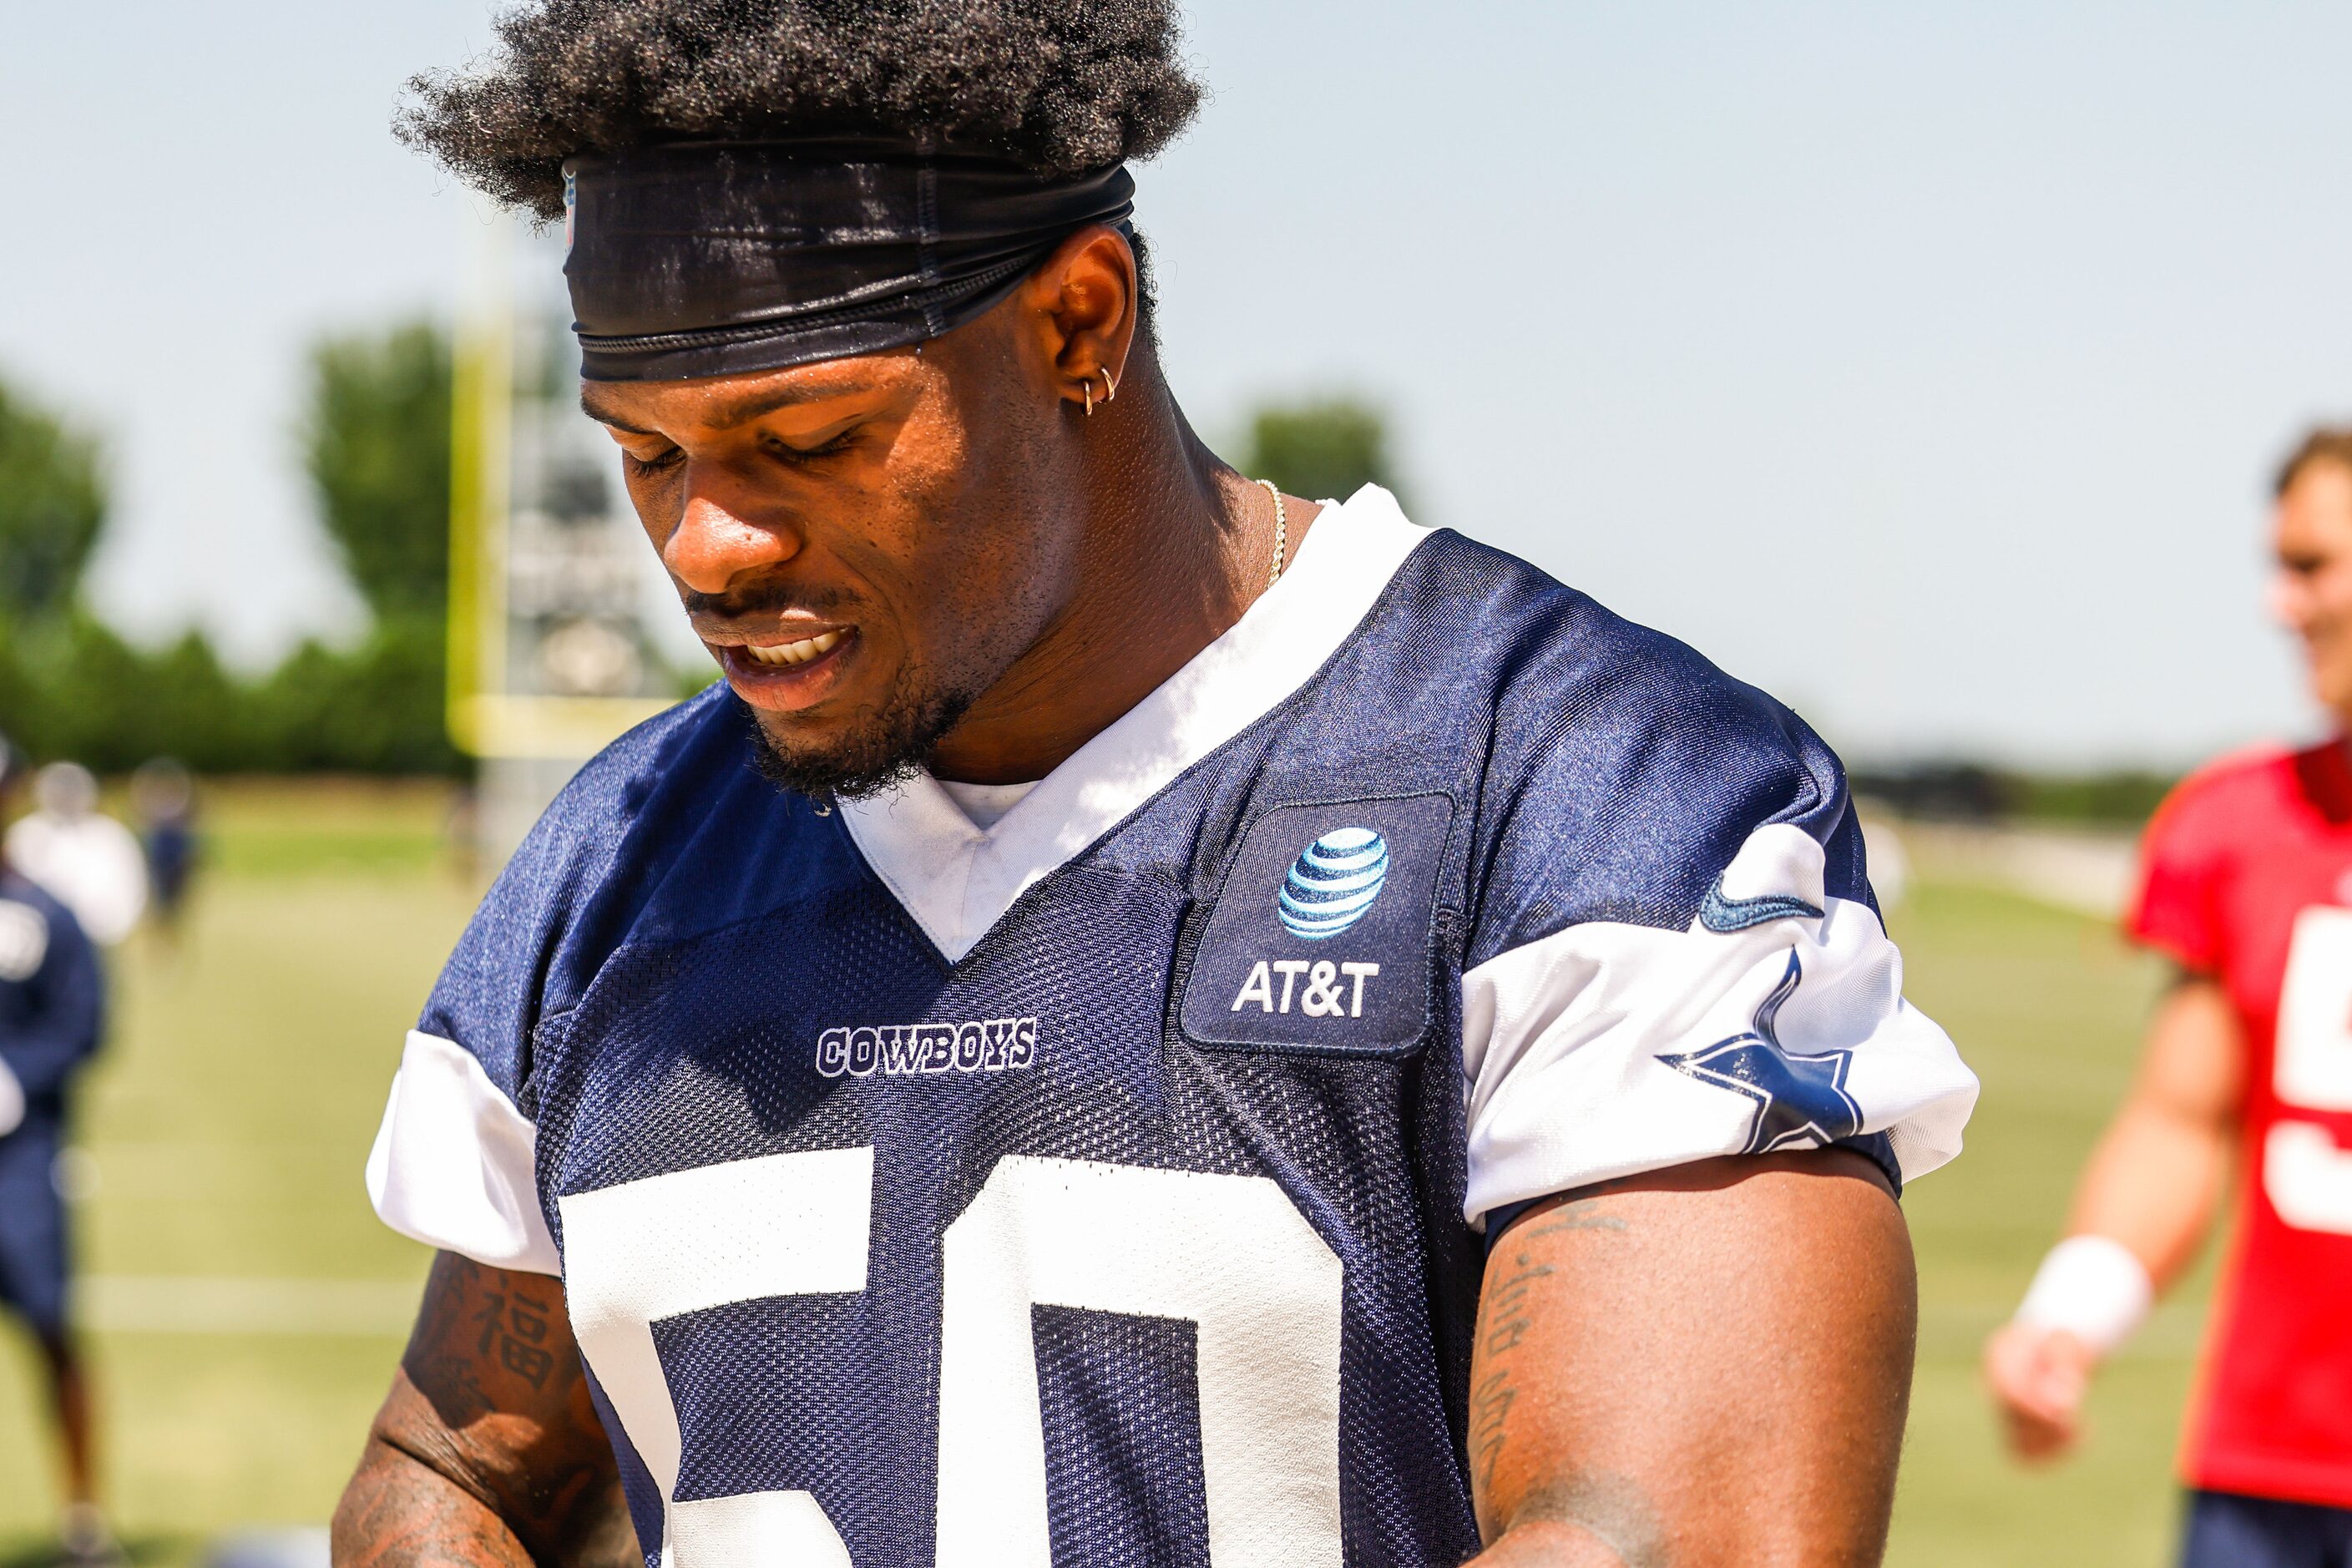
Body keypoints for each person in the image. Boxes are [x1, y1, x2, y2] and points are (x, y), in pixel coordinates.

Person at [335, 5, 1979, 1563]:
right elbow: (449, 1467)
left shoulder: (1574, 786)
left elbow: (1678, 1533)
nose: (705, 547)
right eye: (646, 453)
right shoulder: (617, 865)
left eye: (809, 440)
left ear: (1078, 321)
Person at [1985, 427, 2352, 1565]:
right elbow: (2180, 1120)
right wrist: (2071, 1312)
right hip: (2274, 1467)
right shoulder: (2238, 826)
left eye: (2309, 564)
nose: (2278, 604)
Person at [0, 738, 113, 1564]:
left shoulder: (42, 914)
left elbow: (85, 1023)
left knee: (50, 1326)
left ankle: (83, 1518)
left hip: (22, 1158)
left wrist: (16, 1077)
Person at [4, 763, 146, 949]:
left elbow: (130, 886)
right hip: (34, 943)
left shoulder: (109, 835)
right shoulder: (26, 834)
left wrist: (114, 927)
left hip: (98, 938)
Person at [131, 758, 201, 942]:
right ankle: (160, 931)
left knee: (175, 902)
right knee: (159, 900)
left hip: (176, 862)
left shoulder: (181, 811)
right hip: (159, 860)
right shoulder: (154, 813)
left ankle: (170, 931)